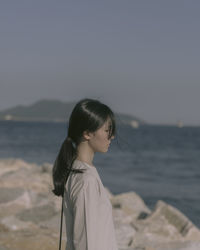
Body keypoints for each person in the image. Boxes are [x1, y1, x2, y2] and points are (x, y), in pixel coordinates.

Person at [52, 98, 118, 250]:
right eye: (107, 130)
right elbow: (86, 242)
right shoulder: (86, 180)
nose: (112, 136)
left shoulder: (77, 171)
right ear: (88, 133)